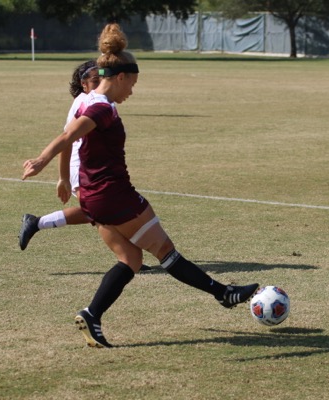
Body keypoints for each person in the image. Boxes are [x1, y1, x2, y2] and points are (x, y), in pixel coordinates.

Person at [21, 23, 259, 348]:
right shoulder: (101, 108)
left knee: (131, 260)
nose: (132, 91)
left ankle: (92, 314)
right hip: (114, 196)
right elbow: (67, 136)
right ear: (120, 77)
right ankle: (224, 294)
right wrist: (41, 161)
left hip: (93, 199)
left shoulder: (100, 105)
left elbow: (70, 136)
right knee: (165, 252)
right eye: (132, 83)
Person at [18, 60, 99, 251]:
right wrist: (63, 178)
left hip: (94, 167)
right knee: (97, 212)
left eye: (104, 79)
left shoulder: (97, 100)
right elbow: (66, 140)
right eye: (96, 80)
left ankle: (129, 259)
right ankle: (37, 223)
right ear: (84, 84)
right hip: (81, 168)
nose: (101, 84)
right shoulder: (83, 103)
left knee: (107, 212)